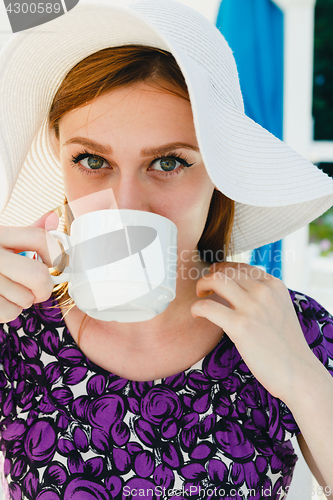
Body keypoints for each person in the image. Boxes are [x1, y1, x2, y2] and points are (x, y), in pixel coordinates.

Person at [0, 1, 333, 499]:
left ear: (221, 175)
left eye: (169, 163)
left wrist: (305, 382)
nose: (127, 204)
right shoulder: (15, 329)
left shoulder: (290, 328)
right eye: (92, 159)